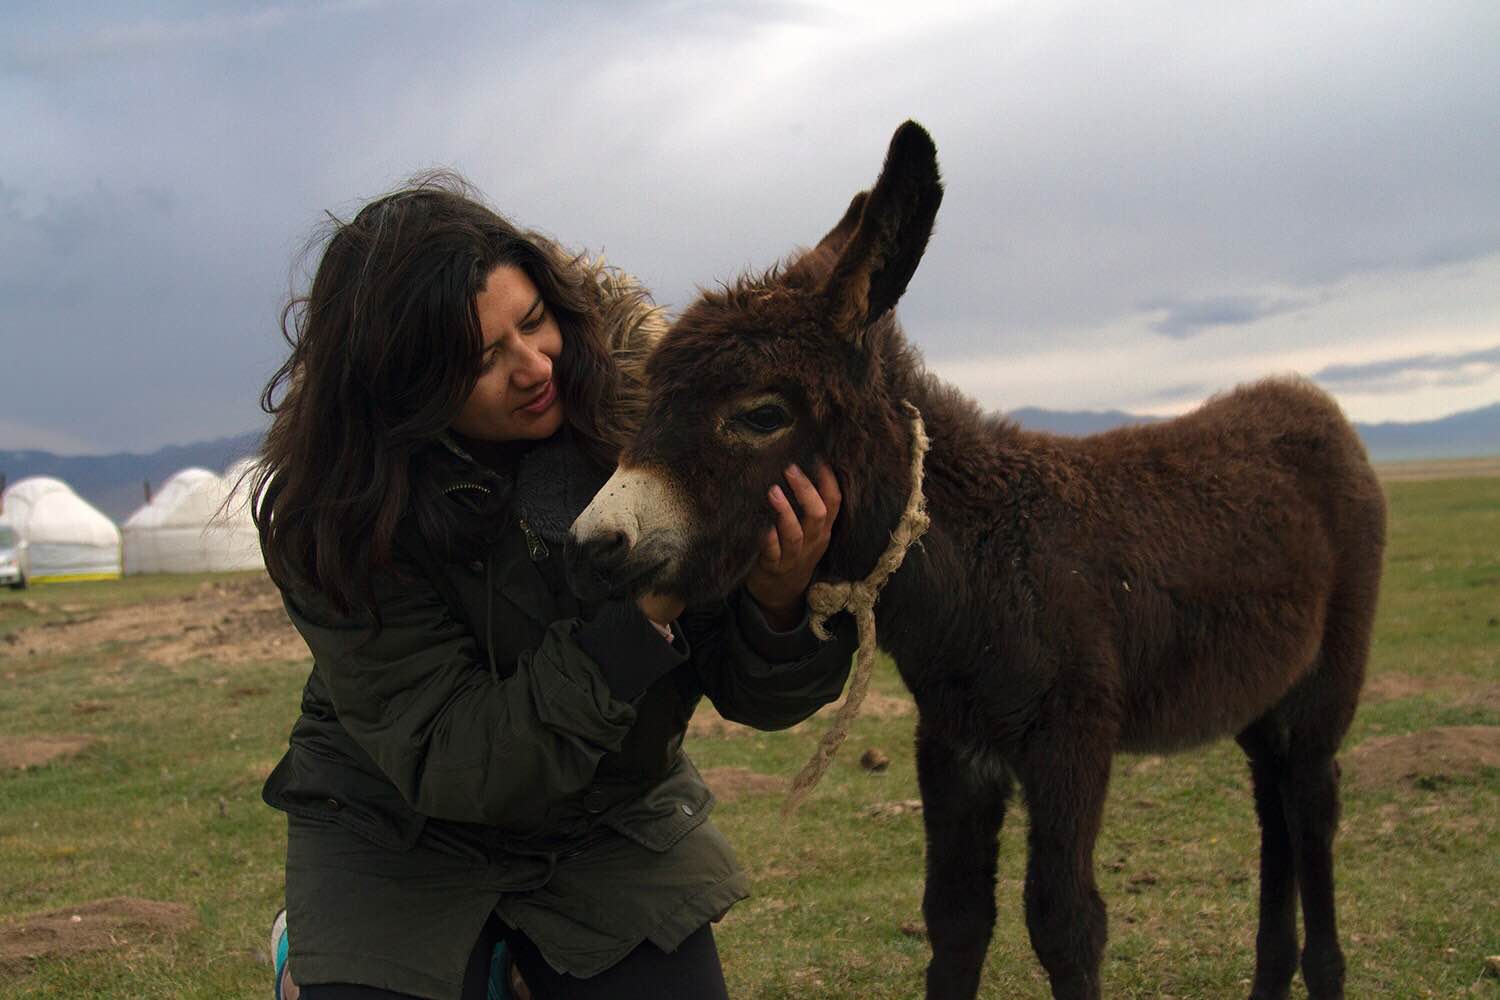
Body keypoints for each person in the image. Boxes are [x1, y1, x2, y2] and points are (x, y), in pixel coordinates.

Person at [252, 175, 857, 1000]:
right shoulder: (334, 516)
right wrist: (641, 617)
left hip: (606, 819)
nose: (534, 366)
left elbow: (758, 695)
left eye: (533, 322)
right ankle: (322, 955)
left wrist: (782, 601)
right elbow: (459, 758)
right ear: (406, 387)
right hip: (397, 830)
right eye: (482, 360)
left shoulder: (650, 417)